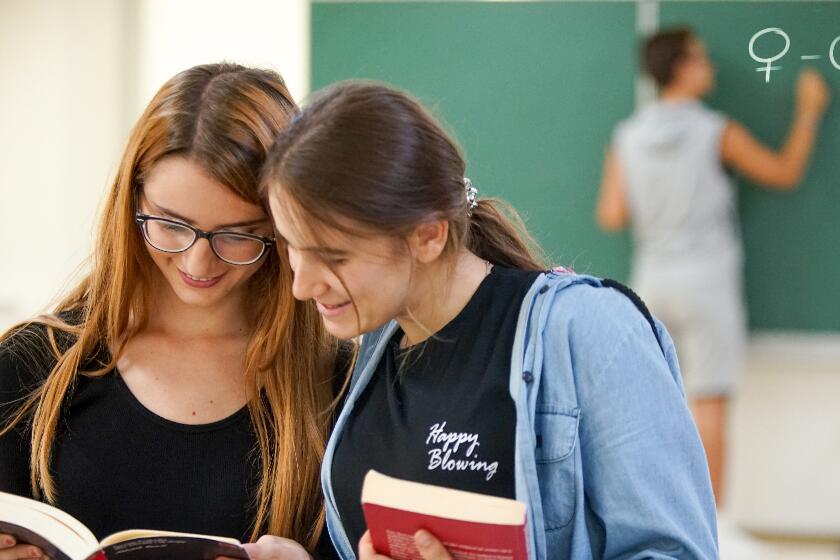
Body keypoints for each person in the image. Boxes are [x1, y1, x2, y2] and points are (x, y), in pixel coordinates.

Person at [246, 80, 718, 560]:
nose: (301, 286)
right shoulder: (372, 347)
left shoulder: (590, 331)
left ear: (428, 235)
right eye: (291, 247)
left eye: (333, 257)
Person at [0, 63, 342, 560]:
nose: (197, 262)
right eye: (171, 225)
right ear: (133, 198)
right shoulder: (31, 366)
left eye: (238, 234)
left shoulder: (340, 385)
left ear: (283, 226)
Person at [595, 27, 831, 506]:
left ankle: (658, 518)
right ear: (682, 68)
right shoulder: (716, 131)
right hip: (705, 283)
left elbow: (612, 213)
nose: (712, 67)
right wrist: (808, 111)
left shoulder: (627, 136)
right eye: (702, 58)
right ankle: (711, 529)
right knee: (710, 408)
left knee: (657, 407)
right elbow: (783, 173)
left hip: (650, 284)